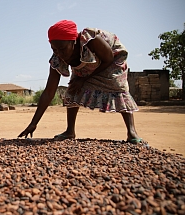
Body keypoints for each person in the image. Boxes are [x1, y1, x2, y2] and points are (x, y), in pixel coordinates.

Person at [18, 20, 146, 144]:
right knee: (72, 89)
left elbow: (108, 58)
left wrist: (84, 79)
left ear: (73, 41)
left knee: (118, 86)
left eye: (62, 49)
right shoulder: (57, 58)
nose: (59, 53)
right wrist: (33, 123)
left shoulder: (90, 40)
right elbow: (49, 92)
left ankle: (132, 132)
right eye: (54, 49)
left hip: (111, 59)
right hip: (88, 65)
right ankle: (70, 131)